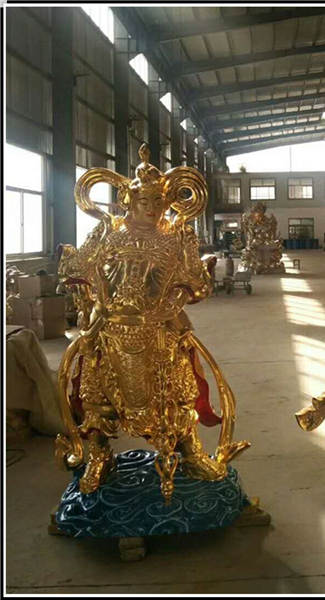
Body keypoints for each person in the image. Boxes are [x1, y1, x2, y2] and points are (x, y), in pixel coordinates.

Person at [54, 144, 249, 501]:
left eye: (160, 201)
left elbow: (198, 284)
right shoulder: (108, 232)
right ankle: (99, 456)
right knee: (98, 396)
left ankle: (190, 453)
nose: (153, 208)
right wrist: (84, 270)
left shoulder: (174, 236)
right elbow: (75, 269)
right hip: (110, 330)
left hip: (160, 330)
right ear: (128, 200)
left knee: (179, 393)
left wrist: (178, 293)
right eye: (145, 201)